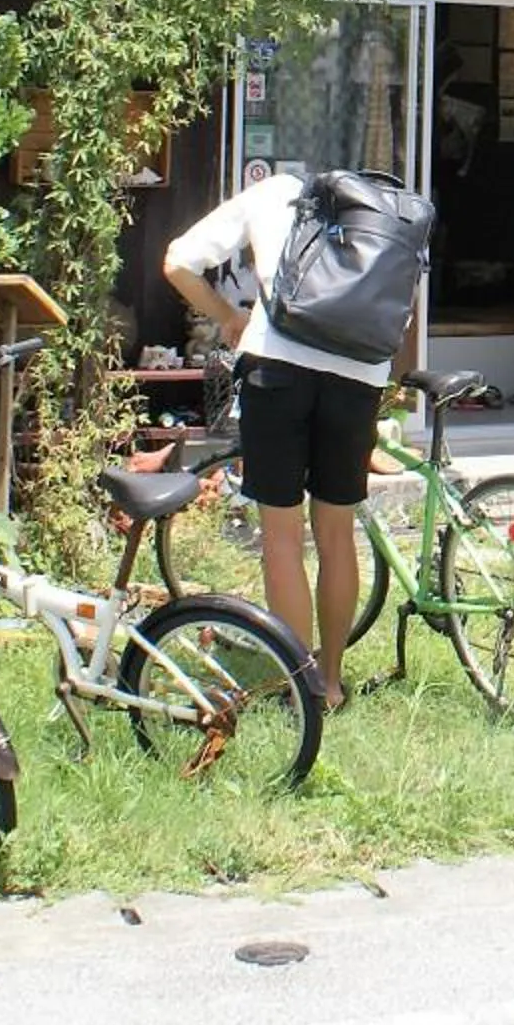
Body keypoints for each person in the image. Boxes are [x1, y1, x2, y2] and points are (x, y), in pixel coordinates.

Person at [162, 171, 386, 704]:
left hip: (277, 368)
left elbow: (177, 262)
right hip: (359, 372)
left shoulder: (272, 191)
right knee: (336, 535)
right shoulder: (374, 209)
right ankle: (331, 684)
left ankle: (300, 688)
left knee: (283, 540)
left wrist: (228, 317)